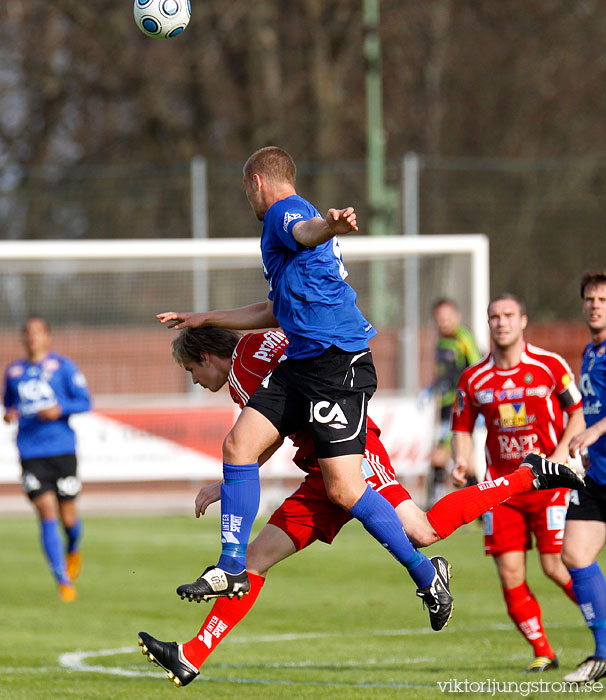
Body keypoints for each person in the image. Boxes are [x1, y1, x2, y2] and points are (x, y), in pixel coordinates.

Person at [137, 325, 584, 687]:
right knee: (256, 558)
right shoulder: (263, 339)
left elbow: (263, 432)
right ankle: (191, 656)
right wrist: (232, 478)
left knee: (423, 531)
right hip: (321, 472)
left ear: (206, 357)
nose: (196, 381)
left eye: (192, 371)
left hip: (353, 453)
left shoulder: (242, 373)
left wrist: (235, 474)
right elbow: (273, 426)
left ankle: (528, 475)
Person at [156, 146, 453, 618]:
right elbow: (275, 308)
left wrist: (329, 227)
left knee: (345, 491)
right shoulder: (294, 223)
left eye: (245, 191)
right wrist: (205, 317)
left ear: (256, 182)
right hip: (303, 360)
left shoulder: (282, 213)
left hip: (337, 363)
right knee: (239, 446)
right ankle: (231, 564)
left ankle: (425, 573)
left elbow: (305, 231)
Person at [451, 293, 585, 673]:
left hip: (549, 486)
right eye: (494, 316)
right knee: (510, 574)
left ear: (523, 321)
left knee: (557, 567)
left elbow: (577, 414)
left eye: (509, 315)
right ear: (488, 323)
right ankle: (543, 651)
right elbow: (461, 427)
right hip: (504, 490)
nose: (501, 322)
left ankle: (602, 629)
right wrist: (462, 460)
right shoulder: (473, 377)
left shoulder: (548, 366)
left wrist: (557, 460)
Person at [2, 317, 91, 601]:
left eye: (37, 333)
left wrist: (60, 409)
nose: (32, 338)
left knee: (69, 518)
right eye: (27, 333)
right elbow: (9, 403)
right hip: (30, 452)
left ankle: (74, 547)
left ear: (47, 337)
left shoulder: (63, 366)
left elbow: (85, 401)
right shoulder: (14, 371)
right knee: (46, 510)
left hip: (62, 450)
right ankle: (63, 580)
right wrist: (10, 412)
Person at [561, 271, 606, 684]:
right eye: (590, 299)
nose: (595, 305)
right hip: (598, 474)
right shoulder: (590, 353)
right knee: (574, 554)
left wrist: (596, 429)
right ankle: (603, 654)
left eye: (603, 300)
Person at [426, 298, 481, 506]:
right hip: (445, 406)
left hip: (460, 406)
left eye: (447, 317)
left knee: (440, 456)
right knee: (467, 461)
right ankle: (482, 510)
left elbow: (476, 368)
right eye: (440, 318)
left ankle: (435, 503)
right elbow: (441, 372)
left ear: (456, 317)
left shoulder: (463, 338)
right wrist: (432, 387)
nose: (444, 321)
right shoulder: (441, 341)